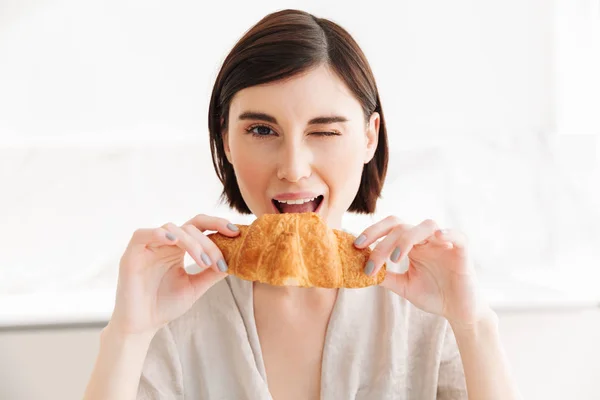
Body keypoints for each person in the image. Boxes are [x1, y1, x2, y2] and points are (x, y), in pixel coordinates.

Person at [83, 9, 521, 400]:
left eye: (325, 132)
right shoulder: (174, 313)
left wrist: (473, 326)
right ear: (225, 141)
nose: (293, 168)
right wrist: (128, 333)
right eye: (261, 130)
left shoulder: (424, 309)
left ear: (369, 137)